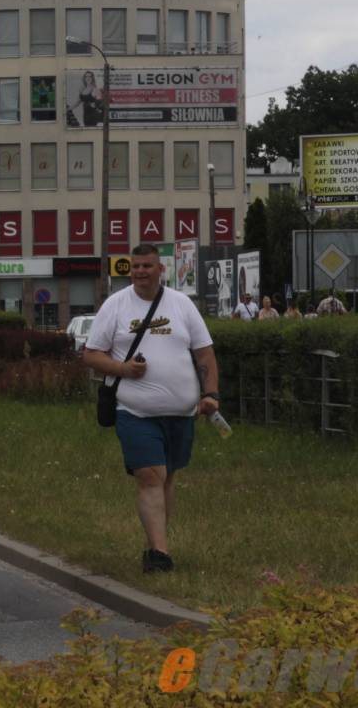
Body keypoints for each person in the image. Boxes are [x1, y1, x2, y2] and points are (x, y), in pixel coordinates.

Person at [82, 244, 220, 574]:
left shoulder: (181, 305)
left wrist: (211, 393)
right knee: (150, 475)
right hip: (134, 411)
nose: (140, 271)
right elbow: (91, 354)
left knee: (166, 478)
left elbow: (204, 354)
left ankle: (155, 543)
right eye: (136, 266)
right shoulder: (116, 305)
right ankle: (160, 553)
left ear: (161, 270)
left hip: (181, 413)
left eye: (147, 266)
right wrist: (123, 369)